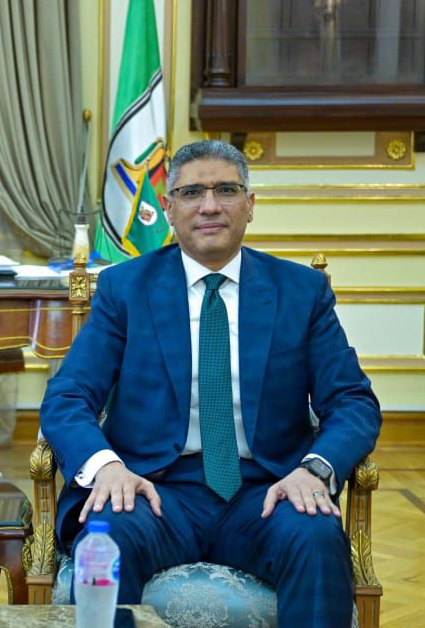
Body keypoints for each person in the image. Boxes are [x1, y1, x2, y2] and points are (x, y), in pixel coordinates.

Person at [40, 139, 381, 627]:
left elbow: (352, 400)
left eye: (226, 190)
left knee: (317, 534)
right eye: (191, 192)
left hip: (268, 491)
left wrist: (315, 470)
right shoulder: (125, 288)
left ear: (250, 205)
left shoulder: (300, 292)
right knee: (108, 532)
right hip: (154, 491)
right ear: (168, 208)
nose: (210, 206)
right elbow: (68, 396)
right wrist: (107, 467)